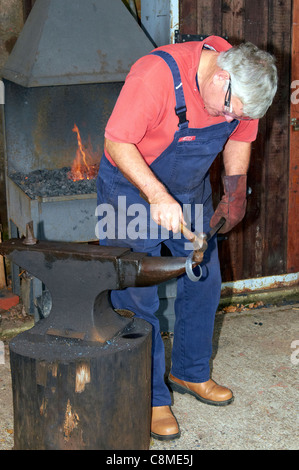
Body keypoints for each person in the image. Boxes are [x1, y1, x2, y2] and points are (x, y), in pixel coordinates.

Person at [96, 36, 277, 441]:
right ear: (221, 75)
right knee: (135, 294)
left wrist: (233, 189)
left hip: (191, 191)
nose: (229, 116)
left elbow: (240, 137)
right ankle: (149, 394)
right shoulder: (155, 75)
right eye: (228, 107)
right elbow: (117, 141)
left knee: (203, 279)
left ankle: (189, 372)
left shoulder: (244, 89)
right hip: (131, 187)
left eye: (237, 112)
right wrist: (157, 195)